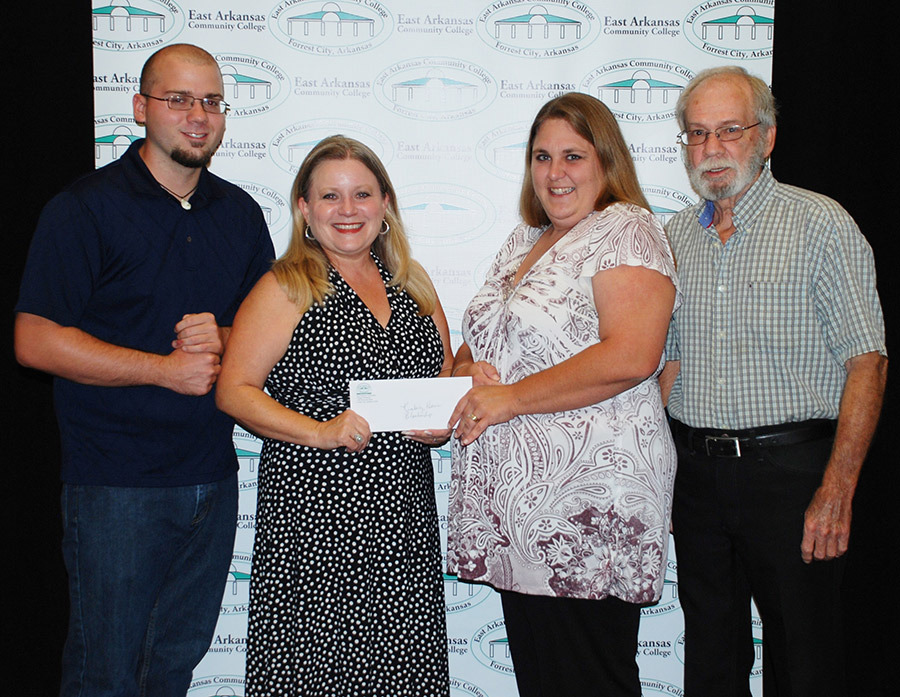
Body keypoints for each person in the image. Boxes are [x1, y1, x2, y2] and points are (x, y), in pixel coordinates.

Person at [13, 44, 274, 696]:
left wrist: (222, 334)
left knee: (171, 669)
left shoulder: (239, 213)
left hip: (213, 481)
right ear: (139, 109)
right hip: (116, 487)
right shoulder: (85, 209)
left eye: (211, 101)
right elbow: (34, 339)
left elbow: (268, 333)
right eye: (179, 99)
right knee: (106, 674)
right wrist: (164, 370)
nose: (198, 115)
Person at [661, 65, 887, 697]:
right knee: (709, 654)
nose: (711, 149)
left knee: (806, 659)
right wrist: (658, 477)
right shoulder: (675, 236)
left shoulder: (822, 224)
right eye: (697, 134)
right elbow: (668, 367)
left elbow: (867, 360)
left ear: (767, 137)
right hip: (699, 477)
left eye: (729, 131)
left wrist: (837, 488)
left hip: (795, 475)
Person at [446, 92, 680, 697]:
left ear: (606, 161)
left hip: (588, 507)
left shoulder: (627, 230)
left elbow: (631, 355)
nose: (555, 173)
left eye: (573, 156)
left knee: (589, 679)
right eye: (542, 156)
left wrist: (511, 398)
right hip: (518, 509)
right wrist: (464, 371)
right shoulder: (525, 240)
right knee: (546, 679)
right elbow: (489, 341)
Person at [215, 135, 452, 696]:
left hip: (402, 519)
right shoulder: (286, 285)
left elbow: (441, 374)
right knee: (318, 669)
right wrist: (320, 431)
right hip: (316, 519)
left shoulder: (413, 284)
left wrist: (441, 421)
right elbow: (234, 390)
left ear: (386, 203)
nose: (348, 211)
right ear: (303, 208)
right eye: (330, 196)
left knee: (400, 669)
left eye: (362, 195)